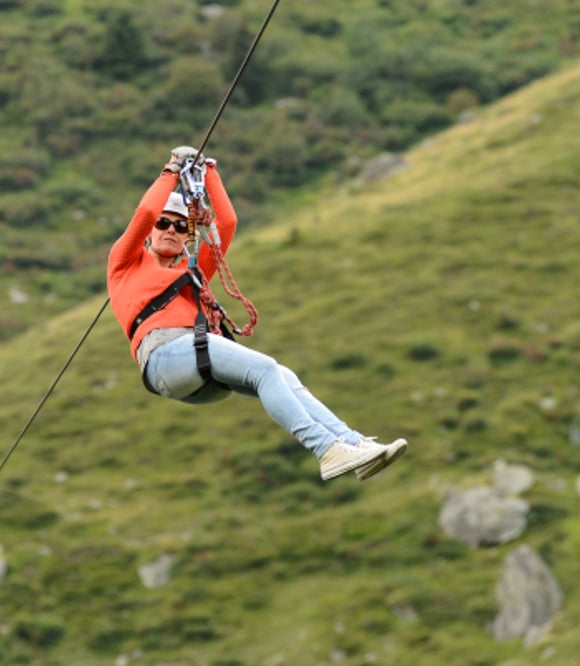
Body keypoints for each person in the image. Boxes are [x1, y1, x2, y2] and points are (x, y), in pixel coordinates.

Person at [107, 147, 407, 481]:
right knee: (264, 368)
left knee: (283, 375)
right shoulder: (125, 265)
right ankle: (326, 449)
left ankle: (353, 445)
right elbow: (147, 210)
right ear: (150, 232)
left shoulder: (191, 272)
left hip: (195, 367)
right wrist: (172, 171)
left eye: (180, 227)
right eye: (164, 224)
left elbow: (228, 222)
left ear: (187, 236)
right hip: (165, 356)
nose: (170, 230)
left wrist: (209, 171)